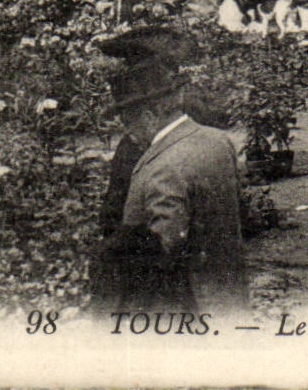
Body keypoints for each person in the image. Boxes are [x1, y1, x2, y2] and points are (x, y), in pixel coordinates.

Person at [98, 34, 247, 316]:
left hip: (186, 312)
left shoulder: (160, 169)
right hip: (230, 295)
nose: (126, 132)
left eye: (128, 121)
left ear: (151, 115)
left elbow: (163, 253)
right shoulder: (218, 140)